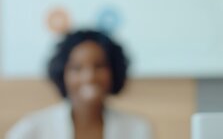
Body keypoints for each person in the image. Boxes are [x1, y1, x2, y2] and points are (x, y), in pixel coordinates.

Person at [6, 30, 153, 139]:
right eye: (77, 68)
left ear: (114, 71)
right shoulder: (31, 129)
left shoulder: (137, 130)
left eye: (99, 66)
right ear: (62, 73)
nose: (89, 77)